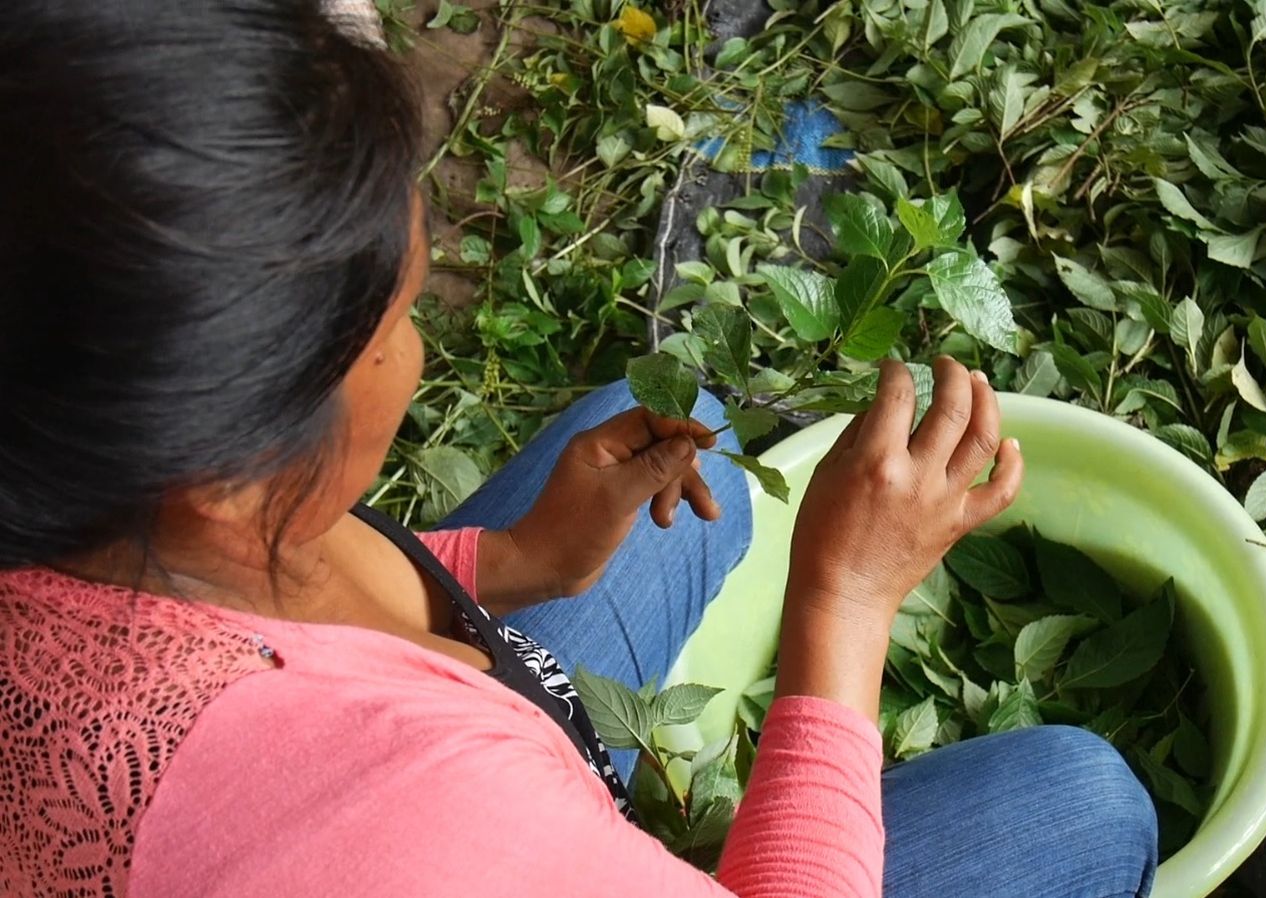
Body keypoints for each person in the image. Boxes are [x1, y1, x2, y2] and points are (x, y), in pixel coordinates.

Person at [0, 2, 1158, 896]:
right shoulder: (391, 825)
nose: (419, 348)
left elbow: (302, 608)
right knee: (1080, 804)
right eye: (403, 317)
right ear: (225, 469)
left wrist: (511, 564)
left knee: (688, 427)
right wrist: (845, 600)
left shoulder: (83, 494)